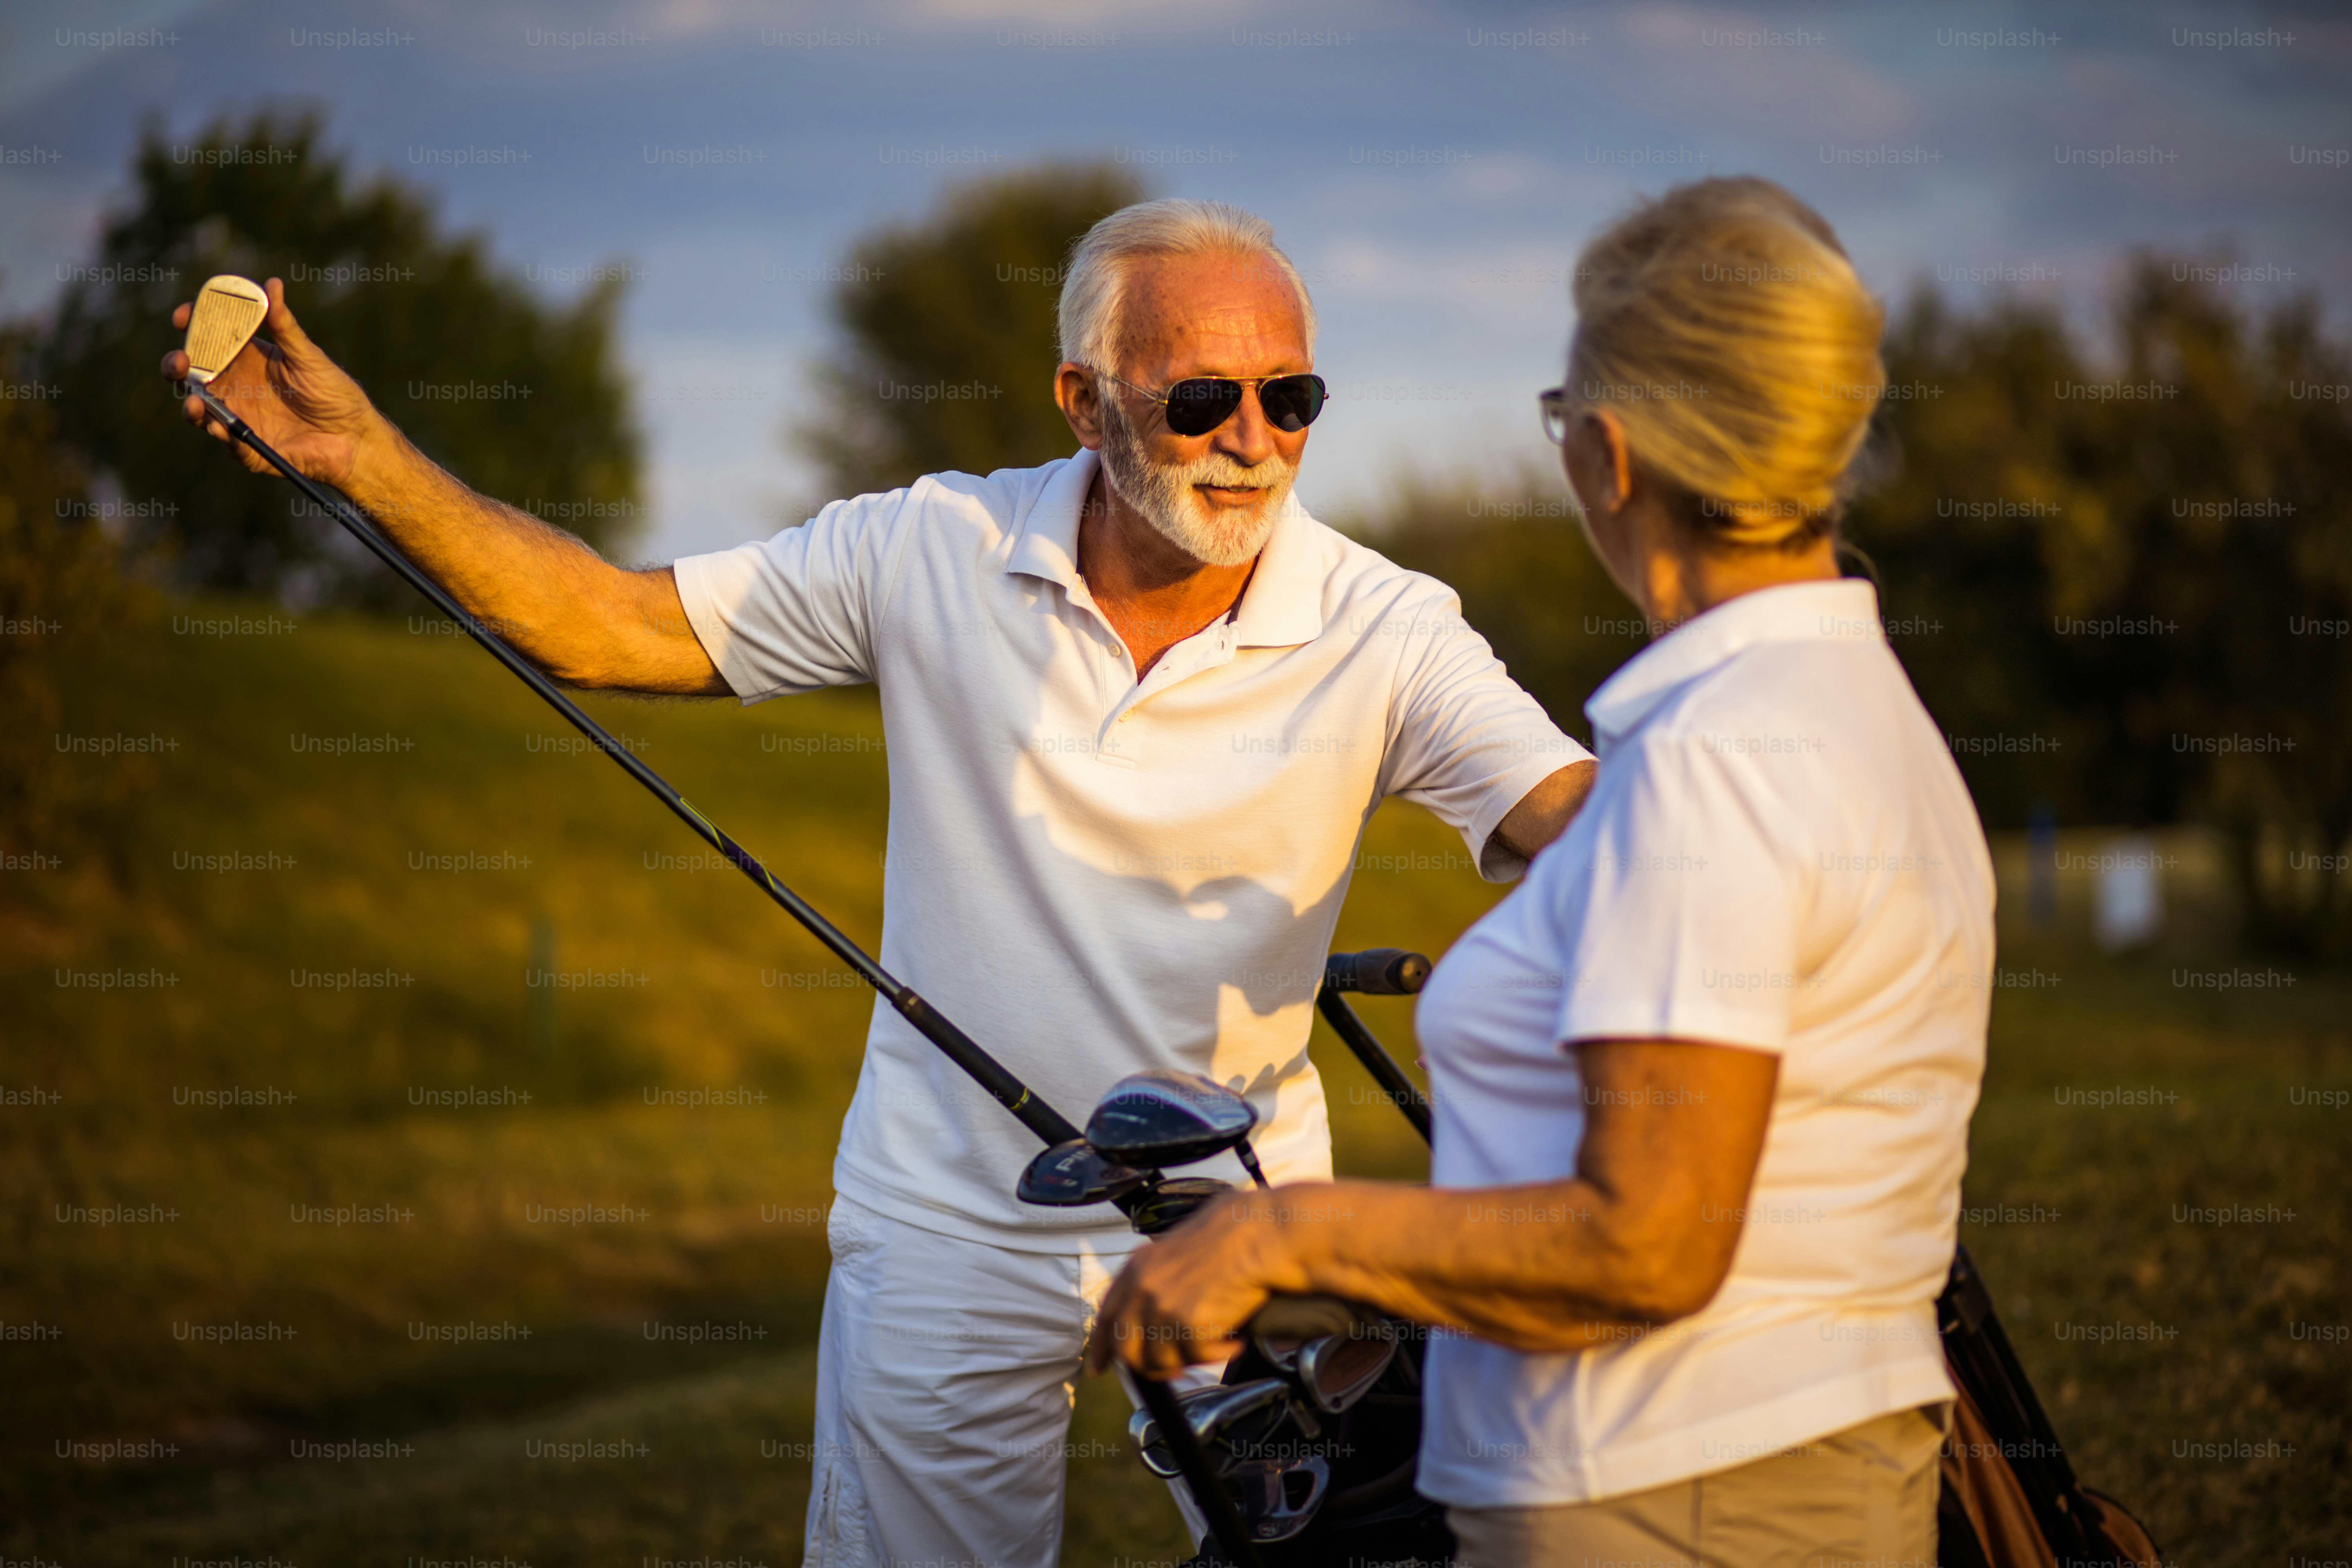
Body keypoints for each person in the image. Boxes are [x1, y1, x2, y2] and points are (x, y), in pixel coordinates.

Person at [163, 198, 1596, 1566]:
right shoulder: (931, 545)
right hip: (949, 1231)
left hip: (1250, 1223)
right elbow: (606, 625)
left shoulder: (1388, 625)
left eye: (1292, 401)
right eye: (1197, 400)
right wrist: (363, 459)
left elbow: (1576, 825)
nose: (1251, 441)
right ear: (1085, 404)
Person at [1093, 176, 1994, 1568]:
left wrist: (1290, 1242)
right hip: (1787, 1470)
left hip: (1666, 1501)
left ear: (1611, 457)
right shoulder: (1850, 702)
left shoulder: (1716, 759)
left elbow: (1645, 1248)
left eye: (1559, 416)